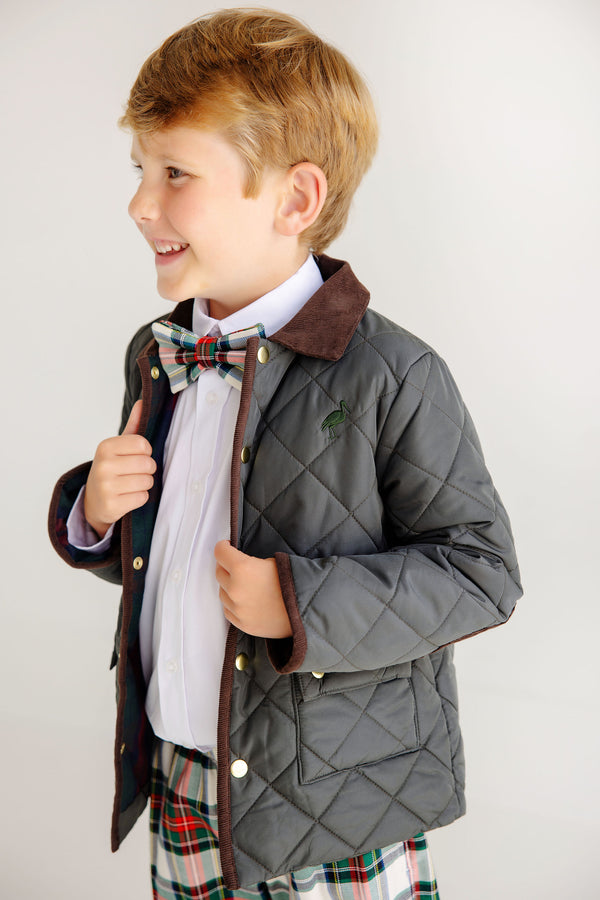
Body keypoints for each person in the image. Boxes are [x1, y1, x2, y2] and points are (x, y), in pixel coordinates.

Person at [48, 8, 522, 899]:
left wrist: (297, 601)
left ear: (295, 200)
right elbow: (171, 555)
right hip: (184, 776)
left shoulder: (393, 372)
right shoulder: (157, 353)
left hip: (337, 800)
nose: (141, 204)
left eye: (176, 172)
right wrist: (98, 514)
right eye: (140, 170)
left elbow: (482, 571)